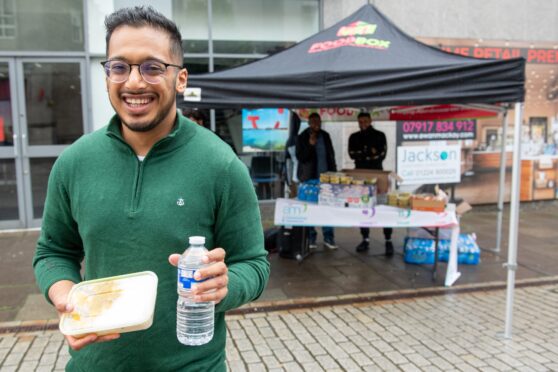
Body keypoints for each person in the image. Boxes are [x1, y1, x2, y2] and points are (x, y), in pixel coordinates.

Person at [32, 6, 269, 371]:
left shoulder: (221, 165)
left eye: (152, 67)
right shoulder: (74, 163)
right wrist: (67, 298)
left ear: (181, 79)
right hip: (94, 365)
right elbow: (52, 252)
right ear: (108, 74)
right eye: (119, 67)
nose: (134, 83)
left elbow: (253, 264)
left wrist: (226, 285)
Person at [348, 111, 394, 256]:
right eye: (360, 122)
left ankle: (388, 239)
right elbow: (352, 154)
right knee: (363, 207)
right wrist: (369, 154)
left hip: (378, 175)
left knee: (383, 206)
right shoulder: (353, 137)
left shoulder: (380, 135)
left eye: (365, 121)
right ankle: (365, 238)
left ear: (370, 121)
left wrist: (364, 154)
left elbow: (381, 154)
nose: (363, 124)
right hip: (360, 174)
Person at [295, 112, 337, 250]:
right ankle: (311, 238)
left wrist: (334, 174)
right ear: (308, 123)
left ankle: (328, 237)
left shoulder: (325, 136)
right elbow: (301, 157)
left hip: (326, 179)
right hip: (309, 179)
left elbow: (331, 155)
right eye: (313, 122)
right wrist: (310, 145)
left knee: (327, 209)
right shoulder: (302, 137)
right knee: (310, 209)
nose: (316, 124)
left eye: (318, 121)